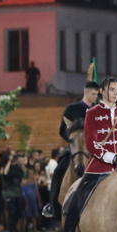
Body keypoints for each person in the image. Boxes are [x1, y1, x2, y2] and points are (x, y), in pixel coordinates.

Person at [51, 77, 117, 232]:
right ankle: (60, 223)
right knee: (62, 170)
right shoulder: (76, 110)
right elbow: (81, 138)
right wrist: (74, 139)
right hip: (80, 149)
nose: (115, 93)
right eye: (111, 90)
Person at [42, 81, 99, 219]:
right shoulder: (71, 109)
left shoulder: (98, 110)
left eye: (97, 94)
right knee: (59, 168)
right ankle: (52, 205)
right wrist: (74, 141)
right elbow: (63, 130)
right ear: (85, 92)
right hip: (74, 147)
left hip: (94, 148)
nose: (95, 97)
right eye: (93, 94)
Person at [1, 151, 26, 232]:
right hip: (10, 193)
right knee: (12, 213)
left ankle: (15, 231)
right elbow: (5, 173)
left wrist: (20, 162)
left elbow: (25, 172)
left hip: (18, 193)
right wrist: (9, 161)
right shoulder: (7, 167)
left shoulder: (18, 167)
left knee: (18, 213)